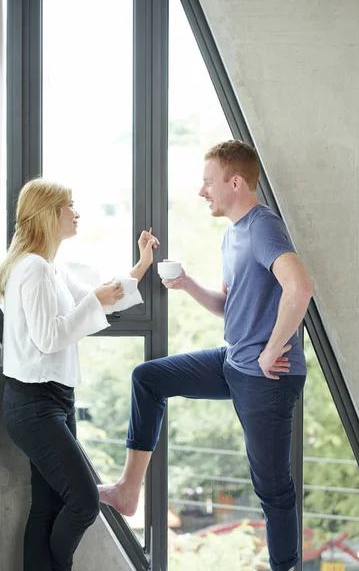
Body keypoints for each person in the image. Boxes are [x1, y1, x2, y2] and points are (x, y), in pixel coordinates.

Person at [99, 140, 313, 571]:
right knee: (148, 378)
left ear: (236, 182)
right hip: (232, 361)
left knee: (272, 488)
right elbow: (229, 307)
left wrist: (272, 352)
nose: (202, 191)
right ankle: (127, 491)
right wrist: (188, 285)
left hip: (264, 377)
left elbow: (300, 287)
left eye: (208, 182)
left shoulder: (262, 227)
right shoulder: (233, 234)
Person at [0, 178, 159, 571]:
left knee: (48, 503)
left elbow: (100, 296)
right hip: (33, 402)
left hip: (54, 398)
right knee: (84, 500)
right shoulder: (33, 269)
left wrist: (140, 266)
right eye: (69, 206)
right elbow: (50, 336)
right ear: (50, 214)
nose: (76, 213)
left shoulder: (50, 267)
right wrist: (94, 301)